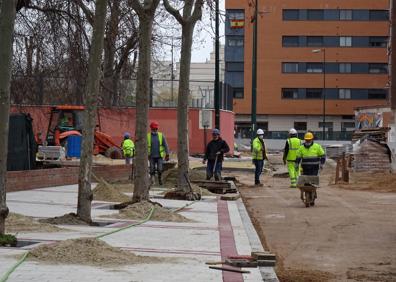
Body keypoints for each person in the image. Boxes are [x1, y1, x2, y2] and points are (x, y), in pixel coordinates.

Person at [147, 121, 169, 185]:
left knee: (160, 169)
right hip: (151, 156)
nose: (155, 130)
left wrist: (167, 154)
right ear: (151, 129)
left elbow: (165, 145)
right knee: (152, 169)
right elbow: (145, 146)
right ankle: (152, 180)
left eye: (156, 129)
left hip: (159, 156)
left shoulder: (161, 135)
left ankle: (159, 179)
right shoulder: (148, 136)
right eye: (154, 129)